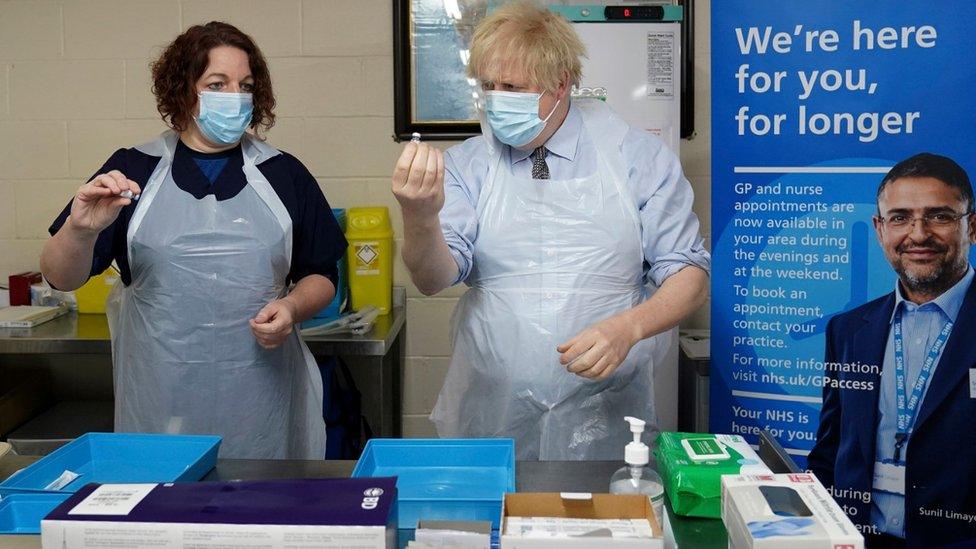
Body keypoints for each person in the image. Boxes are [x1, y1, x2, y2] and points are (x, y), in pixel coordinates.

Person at [391, 1, 709, 460]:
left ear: (561, 84)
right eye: (487, 86)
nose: (496, 100)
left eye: (513, 87)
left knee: (602, 526)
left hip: (608, 410)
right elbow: (433, 278)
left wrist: (629, 327)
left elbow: (690, 277)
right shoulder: (468, 165)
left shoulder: (637, 157)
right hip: (493, 408)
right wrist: (419, 216)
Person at [40, 22, 346, 459]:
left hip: (261, 398)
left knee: (258, 511)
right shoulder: (134, 169)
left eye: (245, 85)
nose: (235, 97)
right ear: (184, 90)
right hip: (161, 396)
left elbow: (321, 273)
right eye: (217, 84)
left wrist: (293, 307)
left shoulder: (283, 173)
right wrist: (80, 229)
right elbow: (61, 277)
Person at [808, 153, 976, 547]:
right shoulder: (848, 330)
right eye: (900, 218)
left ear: (972, 227)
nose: (918, 234)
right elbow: (831, 450)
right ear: (880, 229)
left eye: (940, 216)